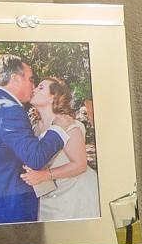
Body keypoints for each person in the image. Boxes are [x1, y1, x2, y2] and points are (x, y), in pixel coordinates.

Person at [0, 54, 67, 226]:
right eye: (30, 79)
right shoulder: (10, 110)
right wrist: (58, 128)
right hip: (12, 212)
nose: (33, 86)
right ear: (14, 78)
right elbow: (35, 158)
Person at [22, 76, 99, 223]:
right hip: (50, 197)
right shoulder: (34, 128)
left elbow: (80, 165)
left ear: (53, 97)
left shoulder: (69, 125)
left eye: (41, 88)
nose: (34, 89)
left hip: (77, 195)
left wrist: (45, 175)